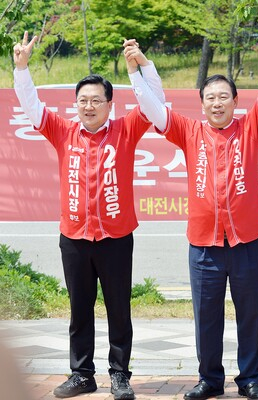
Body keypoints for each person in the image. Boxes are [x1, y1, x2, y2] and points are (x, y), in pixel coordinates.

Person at [124, 30, 258, 400]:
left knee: (252, 314)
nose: (217, 103)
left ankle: (250, 379)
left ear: (235, 101)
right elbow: (153, 108)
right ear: (200, 103)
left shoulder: (251, 126)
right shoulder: (188, 130)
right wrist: (137, 71)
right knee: (206, 317)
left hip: (247, 239)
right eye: (210, 98)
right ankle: (210, 380)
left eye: (223, 97)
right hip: (204, 243)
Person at [13, 33, 165, 400]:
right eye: (83, 100)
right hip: (75, 237)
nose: (89, 106)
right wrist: (21, 68)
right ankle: (82, 374)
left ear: (110, 104)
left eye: (97, 100)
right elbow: (32, 105)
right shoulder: (63, 132)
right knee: (79, 308)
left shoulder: (126, 129)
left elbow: (155, 102)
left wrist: (141, 67)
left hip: (115, 236)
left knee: (118, 308)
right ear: (75, 105)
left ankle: (119, 375)